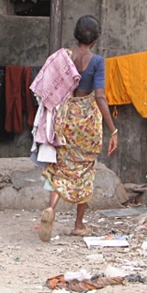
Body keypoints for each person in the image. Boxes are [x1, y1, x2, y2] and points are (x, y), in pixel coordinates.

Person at [38, 15, 118, 240]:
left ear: (75, 33)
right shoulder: (97, 61)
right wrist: (113, 129)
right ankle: (78, 224)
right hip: (86, 120)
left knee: (61, 167)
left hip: (64, 117)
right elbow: (100, 97)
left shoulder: (63, 57)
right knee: (84, 170)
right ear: (96, 37)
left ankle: (51, 209)